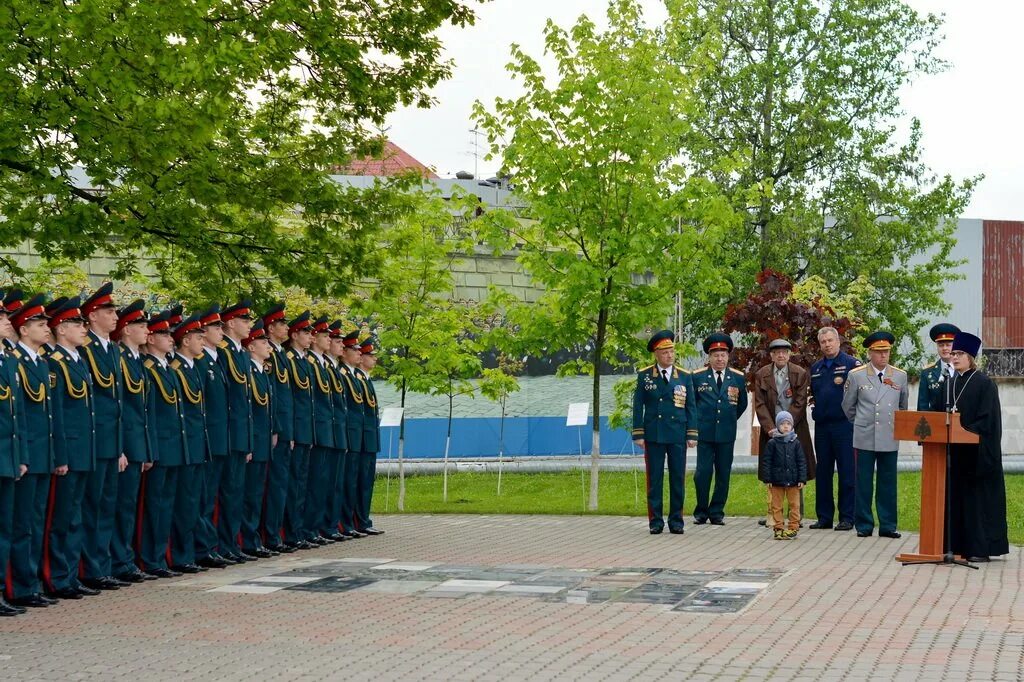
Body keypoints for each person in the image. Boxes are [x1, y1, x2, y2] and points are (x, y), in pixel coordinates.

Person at [929, 332, 1009, 562]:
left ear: (971, 357)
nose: (954, 357)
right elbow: (936, 413)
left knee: (976, 503)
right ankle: (956, 545)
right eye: (953, 353)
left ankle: (980, 548)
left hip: (977, 456)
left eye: (959, 353)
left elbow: (988, 421)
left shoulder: (984, 384)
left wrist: (966, 431)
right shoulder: (950, 382)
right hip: (955, 455)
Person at [45, 297, 101, 599]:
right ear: (62, 329)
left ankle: (70, 574)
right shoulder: (55, 364)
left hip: (85, 451)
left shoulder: (78, 360)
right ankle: (57, 578)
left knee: (76, 516)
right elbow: (58, 415)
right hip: (70, 452)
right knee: (63, 518)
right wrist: (61, 454)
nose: (83, 329)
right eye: (77, 324)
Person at [7, 296, 60, 608]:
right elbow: (20, 417)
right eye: (41, 325)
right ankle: (18, 587)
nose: (47, 329)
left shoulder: (40, 362)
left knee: (35, 522)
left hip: (43, 454)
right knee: (21, 524)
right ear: (24, 330)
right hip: (25, 455)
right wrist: (23, 455)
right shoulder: (16, 362)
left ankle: (30, 584)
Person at [79, 282, 129, 592]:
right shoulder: (86, 349)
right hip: (95, 442)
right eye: (109, 312)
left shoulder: (112, 349)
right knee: (91, 507)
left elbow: (118, 403)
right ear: (93, 315)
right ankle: (90, 568)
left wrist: (120, 446)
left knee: (107, 506)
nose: (115, 317)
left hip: (112, 442)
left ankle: (103, 564)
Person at [842, 331, 909, 539]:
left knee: (888, 482)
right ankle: (864, 524)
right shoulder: (857, 375)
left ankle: (888, 525)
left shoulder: (899, 375)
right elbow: (848, 406)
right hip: (865, 435)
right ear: (870, 353)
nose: (883, 356)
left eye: (886, 352)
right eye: (879, 352)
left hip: (889, 435)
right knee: (863, 482)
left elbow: (902, 406)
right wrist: (861, 422)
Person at [631, 330, 696, 535]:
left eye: (671, 351)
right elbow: (637, 405)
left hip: (677, 434)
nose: (670, 355)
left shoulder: (684, 376)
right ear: (656, 355)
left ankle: (676, 520)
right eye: (665, 352)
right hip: (654, 435)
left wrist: (692, 433)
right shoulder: (645, 375)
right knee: (655, 478)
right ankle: (655, 521)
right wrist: (638, 433)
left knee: (678, 478)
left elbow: (691, 407)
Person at [110, 299, 157, 583]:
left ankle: (125, 560)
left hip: (138, 443)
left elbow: (143, 410)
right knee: (119, 508)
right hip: (125, 443)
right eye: (141, 326)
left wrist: (146, 448)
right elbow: (121, 408)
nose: (146, 331)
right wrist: (124, 447)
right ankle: (119, 562)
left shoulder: (136, 360)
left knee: (129, 508)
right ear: (127, 330)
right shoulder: (121, 358)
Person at [138, 311, 186, 579]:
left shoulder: (166, 367)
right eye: (164, 334)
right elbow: (148, 413)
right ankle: (150, 559)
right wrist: (149, 448)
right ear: (152, 339)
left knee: (165, 505)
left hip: (173, 446)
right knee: (154, 506)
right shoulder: (148, 368)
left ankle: (159, 557)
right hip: (159, 447)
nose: (170, 338)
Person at [753, 339, 815, 526]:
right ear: (771, 355)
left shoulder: (800, 373)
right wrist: (771, 428)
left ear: (789, 355)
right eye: (777, 352)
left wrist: (787, 425)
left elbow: (800, 401)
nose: (781, 355)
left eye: (784, 352)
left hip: (795, 429)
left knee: (796, 467)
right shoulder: (761, 374)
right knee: (772, 468)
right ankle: (773, 514)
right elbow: (759, 404)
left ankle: (796, 514)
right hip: (771, 430)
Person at [691, 333, 748, 525]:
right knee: (702, 472)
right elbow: (692, 404)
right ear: (709, 356)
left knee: (723, 473)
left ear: (728, 356)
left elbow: (742, 404)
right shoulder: (697, 377)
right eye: (716, 355)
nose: (720, 359)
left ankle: (716, 511)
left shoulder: (738, 378)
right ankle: (701, 510)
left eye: (723, 354)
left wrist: (728, 419)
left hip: (726, 433)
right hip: (704, 434)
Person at [808, 326, 861, 531]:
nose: (827, 345)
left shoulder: (852, 365)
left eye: (830, 340)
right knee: (823, 473)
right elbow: (815, 394)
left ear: (838, 341)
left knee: (848, 472)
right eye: (823, 342)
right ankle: (824, 517)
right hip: (822, 427)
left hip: (845, 426)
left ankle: (847, 517)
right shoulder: (816, 368)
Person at [168, 314, 208, 573]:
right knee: (181, 504)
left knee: (193, 502)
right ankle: (180, 555)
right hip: (179, 445)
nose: (202, 343)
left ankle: (190, 552)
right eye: (198, 338)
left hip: (194, 444)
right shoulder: (176, 369)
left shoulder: (192, 368)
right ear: (185, 341)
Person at [216, 300, 255, 562]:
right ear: (231, 323)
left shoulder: (240, 353)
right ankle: (223, 544)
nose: (249, 325)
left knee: (236, 492)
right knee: (227, 492)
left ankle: (231, 543)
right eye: (244, 320)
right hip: (229, 432)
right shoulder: (224, 352)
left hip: (241, 432)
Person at [194, 304, 232, 569]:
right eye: (215, 327)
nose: (221, 331)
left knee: (212, 497)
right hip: (206, 439)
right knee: (203, 498)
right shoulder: (200, 362)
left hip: (220, 438)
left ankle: (212, 545)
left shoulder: (218, 360)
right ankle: (203, 548)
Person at [0, 302, 29, 616]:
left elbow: (17, 414)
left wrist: (20, 456)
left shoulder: (8, 362)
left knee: (6, 527)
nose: (6, 321)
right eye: (2, 317)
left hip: (8, 457)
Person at [240, 320, 277, 558]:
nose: (269, 347)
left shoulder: (261, 371)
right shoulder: (249, 371)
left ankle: (253, 540)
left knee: (256, 494)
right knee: (249, 494)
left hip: (263, 439)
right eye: (263, 343)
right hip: (254, 439)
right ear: (252, 346)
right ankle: (248, 540)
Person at [260, 304, 294, 553]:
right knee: (274, 485)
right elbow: (271, 395)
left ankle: (276, 534)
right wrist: (277, 427)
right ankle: (271, 535)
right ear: (271, 327)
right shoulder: (268, 353)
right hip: (276, 428)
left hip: (284, 427)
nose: (287, 328)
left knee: (281, 484)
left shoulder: (280, 353)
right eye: (282, 324)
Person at [283, 311, 315, 550]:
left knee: (302, 483)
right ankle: (292, 532)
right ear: (295, 335)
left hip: (305, 429)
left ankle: (300, 530)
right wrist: (291, 431)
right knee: (293, 483)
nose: (310, 336)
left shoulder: (303, 360)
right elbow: (290, 399)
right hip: (295, 430)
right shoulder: (290, 359)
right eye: (306, 332)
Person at [305, 316, 337, 545]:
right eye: (325, 336)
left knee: (322, 483)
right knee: (312, 482)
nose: (330, 340)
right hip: (315, 430)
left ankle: (317, 528)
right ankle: (309, 529)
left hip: (326, 429)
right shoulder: (311, 363)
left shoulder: (323, 364)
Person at [759, 412, 807, 540]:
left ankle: (793, 527)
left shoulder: (796, 443)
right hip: (776, 480)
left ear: (792, 426)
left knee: (794, 505)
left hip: (793, 481)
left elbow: (801, 462)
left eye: (788, 424)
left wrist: (802, 479)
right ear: (777, 425)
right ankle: (778, 527)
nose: (785, 426)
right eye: (782, 424)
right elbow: (767, 462)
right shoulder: (772, 443)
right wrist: (768, 478)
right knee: (777, 506)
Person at [338, 330, 366, 538]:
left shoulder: (356, 377)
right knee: (344, 482)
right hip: (346, 434)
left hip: (358, 435)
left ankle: (356, 521)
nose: (359, 354)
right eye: (354, 350)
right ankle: (344, 523)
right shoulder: (343, 374)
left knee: (357, 481)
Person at [355, 337, 383, 535]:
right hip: (360, 438)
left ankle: (363, 519)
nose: (374, 359)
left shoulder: (365, 379)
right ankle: (358, 520)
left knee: (366, 481)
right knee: (358, 482)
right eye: (370, 356)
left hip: (368, 437)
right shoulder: (356, 378)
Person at [917, 323, 959, 412]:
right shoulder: (927, 373)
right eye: (941, 345)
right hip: (935, 422)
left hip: (959, 422)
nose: (944, 348)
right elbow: (922, 406)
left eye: (948, 345)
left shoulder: (962, 370)